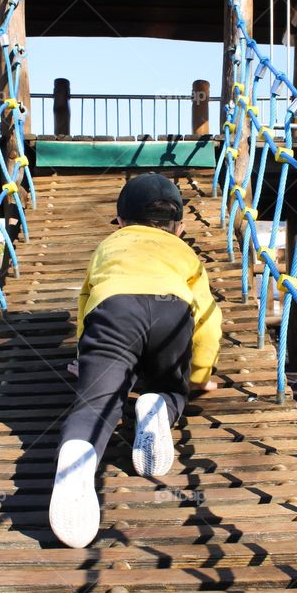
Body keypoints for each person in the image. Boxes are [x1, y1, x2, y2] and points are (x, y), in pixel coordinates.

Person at [48, 173, 222, 548]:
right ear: (179, 227)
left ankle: (78, 454)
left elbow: (86, 304)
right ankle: (158, 405)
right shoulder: (186, 254)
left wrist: (86, 357)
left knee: (96, 404)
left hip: (114, 312)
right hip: (172, 313)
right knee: (170, 387)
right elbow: (209, 320)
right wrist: (197, 375)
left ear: (120, 221)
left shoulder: (108, 247)